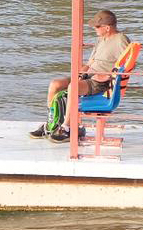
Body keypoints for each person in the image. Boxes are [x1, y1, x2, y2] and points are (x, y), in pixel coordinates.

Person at [29, 9, 131, 143]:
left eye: (97, 26)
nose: (94, 28)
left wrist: (109, 76)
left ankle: (67, 127)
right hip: (88, 76)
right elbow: (90, 63)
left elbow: (128, 64)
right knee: (55, 84)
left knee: (74, 87)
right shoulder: (101, 39)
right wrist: (79, 73)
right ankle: (51, 124)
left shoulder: (120, 39)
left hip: (100, 82)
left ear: (107, 27)